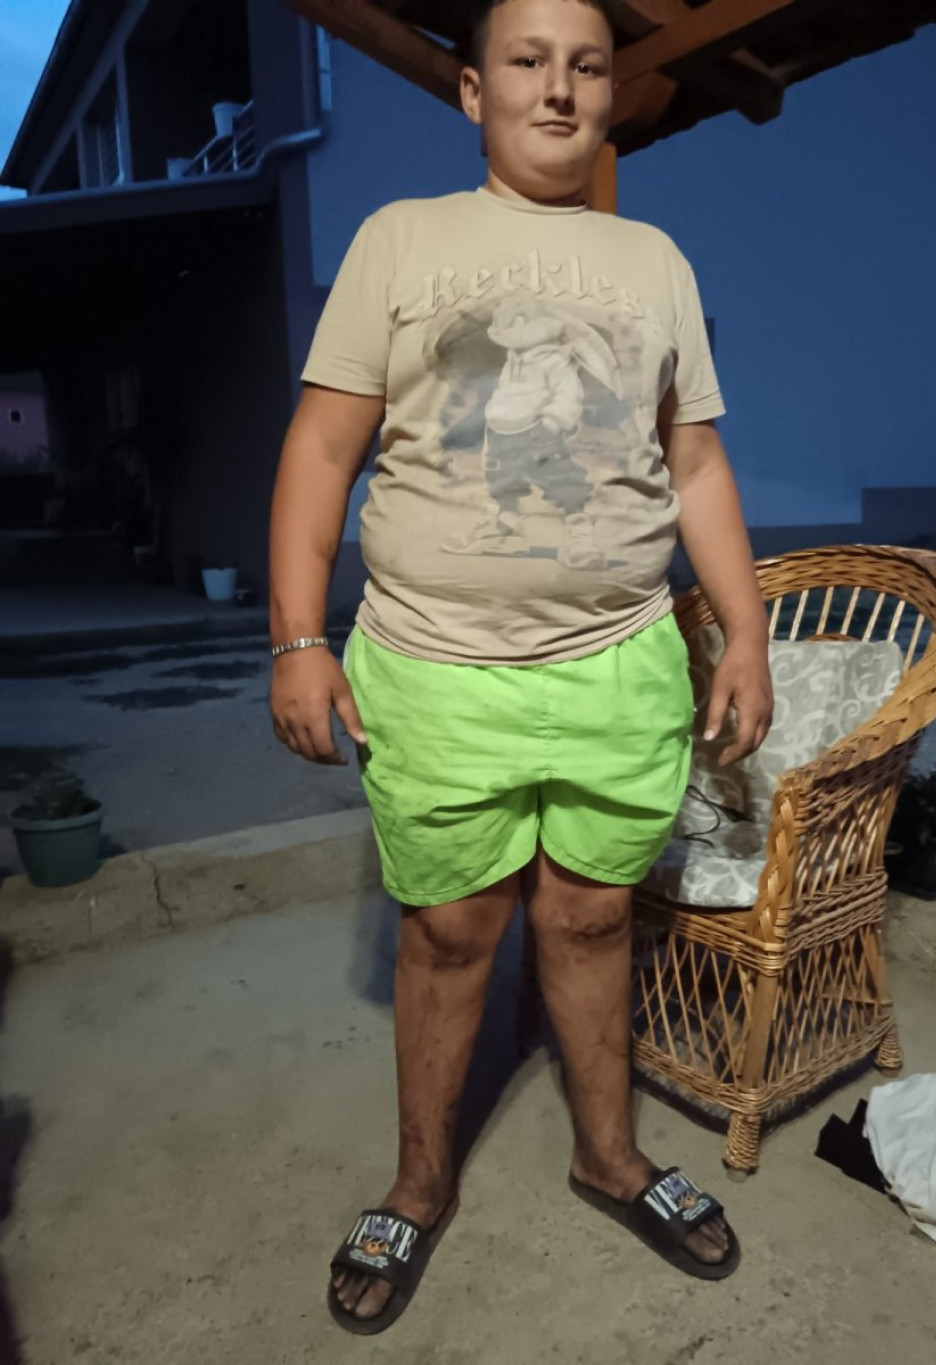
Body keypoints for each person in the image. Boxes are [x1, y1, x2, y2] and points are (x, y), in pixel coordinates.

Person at [268, 0, 774, 1336]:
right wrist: (298, 639)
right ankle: (420, 1180)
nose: (559, 89)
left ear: (609, 93)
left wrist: (745, 629)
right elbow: (322, 448)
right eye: (529, 62)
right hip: (435, 667)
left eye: (586, 66)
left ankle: (607, 1153)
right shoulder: (401, 239)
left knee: (596, 917)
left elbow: (695, 461)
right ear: (472, 89)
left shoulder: (654, 260)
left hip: (618, 664)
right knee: (449, 932)